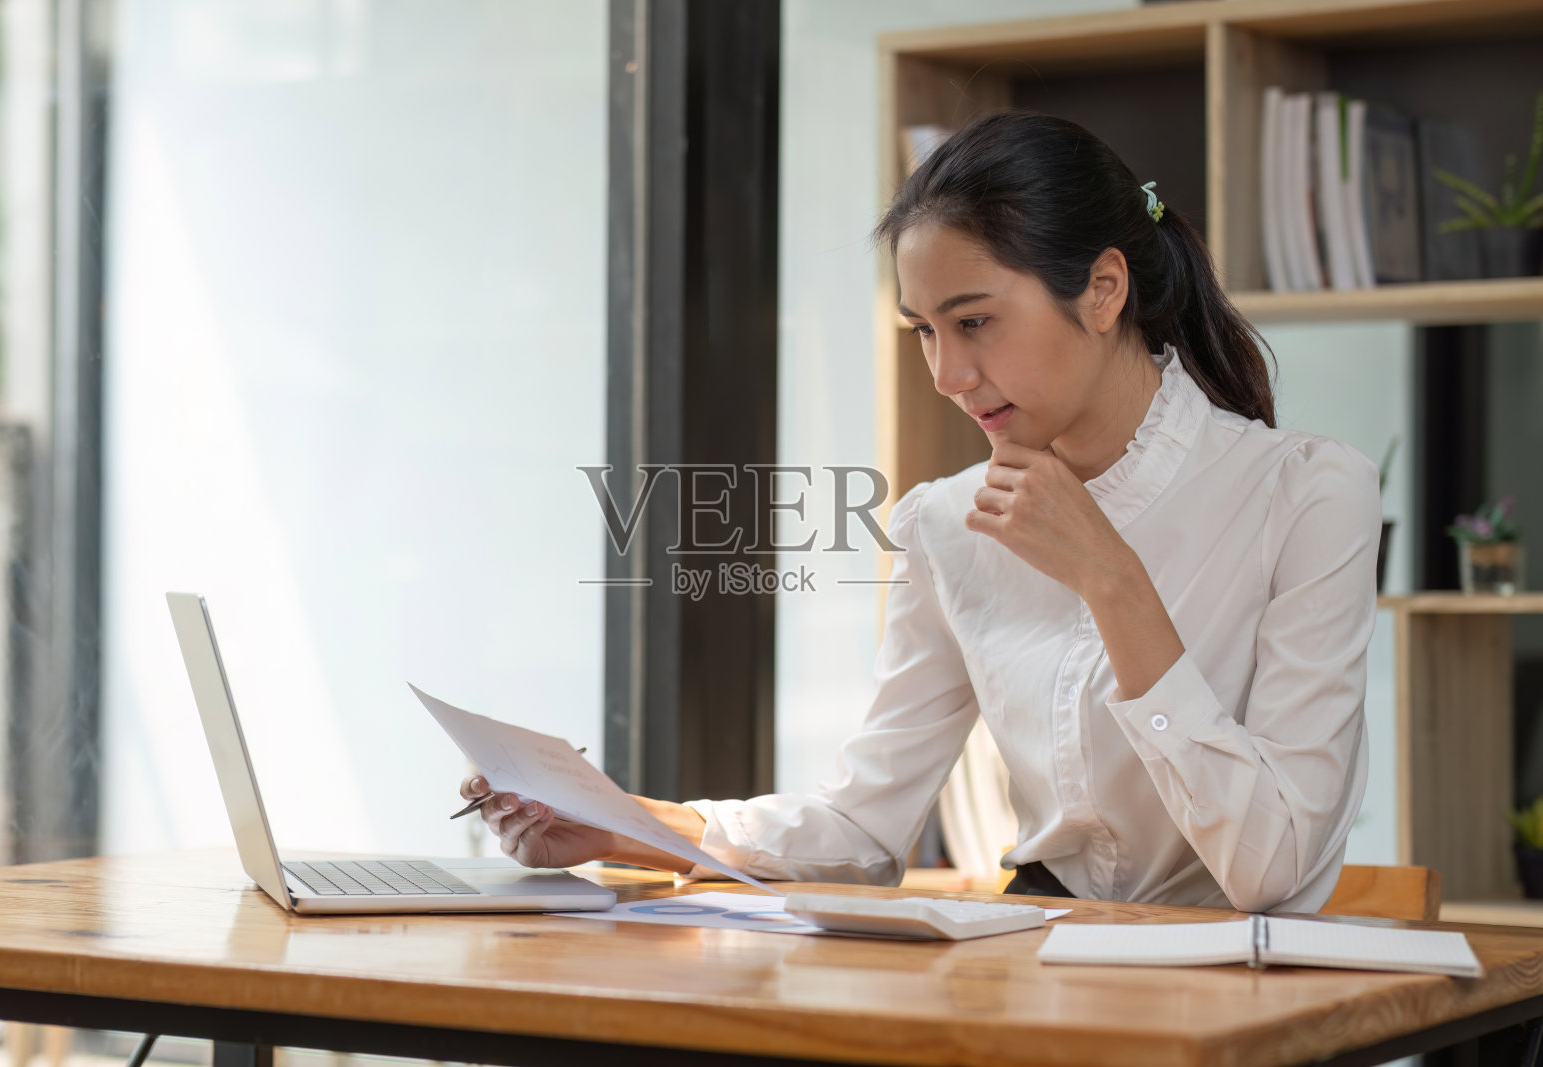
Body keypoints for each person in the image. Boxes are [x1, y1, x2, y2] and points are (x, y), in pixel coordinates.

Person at [460, 110, 1380, 913]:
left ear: (1104, 289)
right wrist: (622, 824)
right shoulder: (945, 525)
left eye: (973, 321)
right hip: (1040, 976)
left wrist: (1113, 581)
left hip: (1246, 994)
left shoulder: (1309, 494)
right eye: (924, 333)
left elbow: (1271, 869)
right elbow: (864, 828)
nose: (946, 375)